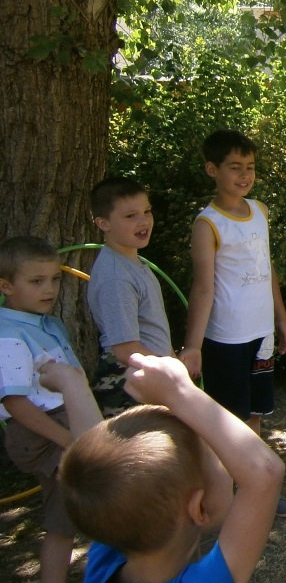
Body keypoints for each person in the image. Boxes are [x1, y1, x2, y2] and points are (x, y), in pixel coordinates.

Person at [61, 353, 285, 583]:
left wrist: (71, 382)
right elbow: (264, 474)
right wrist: (179, 392)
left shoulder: (103, 577)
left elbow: (98, 477)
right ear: (198, 508)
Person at [180, 129, 286, 518]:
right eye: (235, 167)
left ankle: (257, 491)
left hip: (261, 333)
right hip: (227, 338)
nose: (244, 175)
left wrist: (281, 318)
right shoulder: (208, 223)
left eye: (250, 167)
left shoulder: (259, 210)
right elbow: (203, 288)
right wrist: (193, 345)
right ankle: (224, 499)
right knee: (227, 421)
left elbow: (266, 268)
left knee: (255, 414)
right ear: (212, 170)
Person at [0, 236, 103, 583]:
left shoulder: (47, 323)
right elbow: (17, 405)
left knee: (65, 517)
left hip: (61, 424)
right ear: (6, 286)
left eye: (54, 279)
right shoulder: (9, 333)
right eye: (36, 281)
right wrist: (68, 443)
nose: (49, 289)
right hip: (43, 432)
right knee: (90, 502)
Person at [87, 176, 173, 416]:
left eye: (147, 211)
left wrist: (172, 359)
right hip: (132, 384)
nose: (143, 221)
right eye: (130, 216)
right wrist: (172, 374)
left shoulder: (133, 263)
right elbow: (126, 351)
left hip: (153, 375)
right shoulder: (117, 278)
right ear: (103, 223)